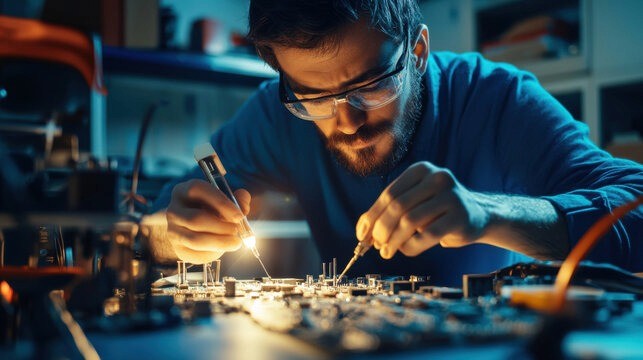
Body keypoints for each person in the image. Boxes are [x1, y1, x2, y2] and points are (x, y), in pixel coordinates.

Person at [151, 0, 643, 286]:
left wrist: (487, 213)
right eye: (314, 97)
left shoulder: (498, 100)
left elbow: (635, 207)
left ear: (419, 51)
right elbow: (154, 218)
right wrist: (172, 234)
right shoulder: (275, 113)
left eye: (370, 86)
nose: (346, 121)